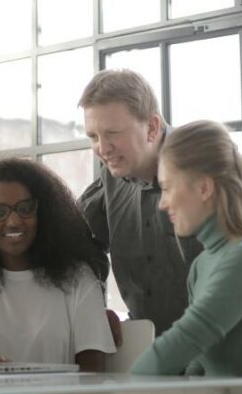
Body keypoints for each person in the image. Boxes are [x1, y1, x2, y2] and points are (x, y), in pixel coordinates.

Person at [129, 120, 242, 394]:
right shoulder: (201, 265)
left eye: (168, 187)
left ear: (204, 188)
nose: (162, 203)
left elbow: (188, 338)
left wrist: (119, 387)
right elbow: (198, 365)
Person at [0, 158, 116, 372]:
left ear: (44, 212)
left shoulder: (78, 278)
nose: (13, 221)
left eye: (25, 208)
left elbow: (93, 376)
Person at [77, 68, 203, 335]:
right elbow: (77, 246)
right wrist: (93, 313)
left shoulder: (208, 164)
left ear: (152, 127)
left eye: (113, 133)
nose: (102, 148)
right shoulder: (111, 176)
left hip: (220, 351)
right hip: (150, 347)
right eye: (93, 136)